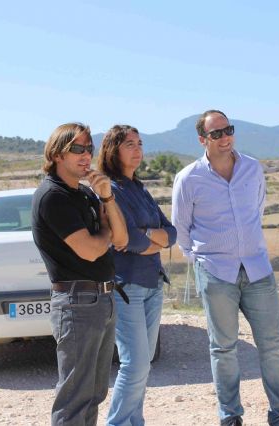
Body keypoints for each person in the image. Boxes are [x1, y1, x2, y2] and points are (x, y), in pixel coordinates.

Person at [171, 110, 279, 426]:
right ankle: (230, 417)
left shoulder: (252, 168)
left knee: (272, 345)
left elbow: (257, 208)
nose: (225, 137)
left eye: (228, 130)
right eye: (216, 133)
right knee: (223, 348)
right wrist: (200, 260)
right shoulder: (188, 178)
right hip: (216, 272)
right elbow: (181, 229)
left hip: (257, 269)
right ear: (202, 139)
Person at [31, 122, 128, 425]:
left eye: (89, 148)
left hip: (101, 299)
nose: (87, 155)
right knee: (75, 399)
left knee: (94, 393)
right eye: (77, 148)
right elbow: (90, 250)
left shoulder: (85, 194)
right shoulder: (53, 196)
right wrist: (105, 232)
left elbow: (121, 238)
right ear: (57, 154)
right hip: (77, 303)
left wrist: (107, 198)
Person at [97, 124, 177, 426]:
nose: (138, 150)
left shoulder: (140, 188)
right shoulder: (111, 191)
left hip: (153, 283)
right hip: (127, 287)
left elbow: (172, 233)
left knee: (143, 365)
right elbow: (128, 240)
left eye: (140, 143)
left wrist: (149, 236)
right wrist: (151, 239)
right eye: (129, 144)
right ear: (113, 150)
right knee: (135, 364)